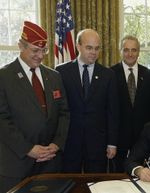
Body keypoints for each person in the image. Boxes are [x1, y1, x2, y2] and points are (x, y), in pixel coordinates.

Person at [0, 21, 70, 193]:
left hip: (50, 162)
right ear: (20, 46)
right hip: (17, 163)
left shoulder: (54, 76)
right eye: (35, 50)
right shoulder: (4, 76)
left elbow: (64, 113)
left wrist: (57, 143)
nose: (40, 56)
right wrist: (28, 149)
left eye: (44, 50)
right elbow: (2, 119)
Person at [55, 29, 119, 173]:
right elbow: (57, 110)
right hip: (70, 141)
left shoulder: (108, 75)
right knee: (70, 184)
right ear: (78, 46)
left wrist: (112, 143)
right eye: (89, 48)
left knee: (96, 183)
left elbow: (113, 112)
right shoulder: (61, 72)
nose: (93, 52)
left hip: (98, 142)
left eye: (97, 48)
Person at [111, 35, 150, 172]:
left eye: (134, 50)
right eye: (126, 50)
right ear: (120, 51)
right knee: (118, 175)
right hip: (118, 137)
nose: (130, 54)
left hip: (143, 136)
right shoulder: (110, 74)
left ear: (139, 52)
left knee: (143, 174)